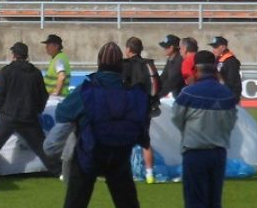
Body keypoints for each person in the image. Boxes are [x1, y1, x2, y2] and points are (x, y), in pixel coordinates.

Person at [56, 42, 149, 208]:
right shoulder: (132, 93)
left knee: (75, 202)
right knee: (128, 203)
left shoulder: (86, 90)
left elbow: (62, 113)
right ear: (121, 65)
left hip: (89, 154)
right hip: (120, 155)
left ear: (99, 63)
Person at [0, 42, 59, 181]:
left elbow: (0, 93)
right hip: (28, 118)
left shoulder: (6, 71)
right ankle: (59, 172)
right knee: (40, 147)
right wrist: (38, 109)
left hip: (8, 117)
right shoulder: (35, 73)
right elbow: (42, 95)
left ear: (14, 55)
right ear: (26, 55)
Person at [172, 51, 238, 208]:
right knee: (214, 201)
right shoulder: (227, 94)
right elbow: (231, 122)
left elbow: (176, 118)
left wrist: (189, 131)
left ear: (195, 69)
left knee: (195, 201)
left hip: (195, 152)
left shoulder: (188, 93)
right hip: (218, 152)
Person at [122, 37, 160, 184]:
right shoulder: (148, 64)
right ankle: (150, 174)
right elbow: (158, 85)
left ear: (128, 49)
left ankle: (125, 173)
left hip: (129, 109)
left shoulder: (125, 65)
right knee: (145, 141)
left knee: (124, 141)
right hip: (145, 108)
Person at [208, 36, 242, 103]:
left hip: (228, 96)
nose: (213, 50)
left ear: (223, 47)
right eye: (213, 47)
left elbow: (232, 81)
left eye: (216, 47)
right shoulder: (219, 59)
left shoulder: (230, 61)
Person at [158, 34, 185, 98]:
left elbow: (171, 82)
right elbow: (164, 76)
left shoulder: (180, 60)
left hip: (183, 97)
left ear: (172, 47)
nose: (164, 49)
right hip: (178, 95)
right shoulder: (171, 58)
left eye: (166, 47)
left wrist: (157, 97)